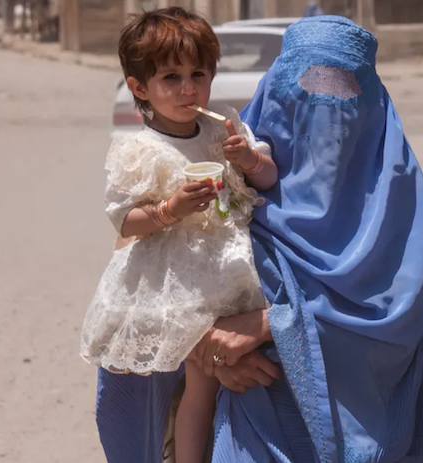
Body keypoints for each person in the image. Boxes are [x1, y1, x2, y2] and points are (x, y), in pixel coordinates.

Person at [93, 15, 423, 463]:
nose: (323, 108)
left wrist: (275, 326)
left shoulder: (393, 193)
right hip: (241, 420)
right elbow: (149, 271)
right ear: (277, 88)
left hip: (361, 427)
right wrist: (205, 348)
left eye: (343, 89)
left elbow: (399, 314)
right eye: (308, 85)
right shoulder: (230, 159)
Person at [79, 7, 278, 463]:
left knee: (208, 383)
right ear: (139, 88)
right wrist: (170, 210)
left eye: (198, 73)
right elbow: (124, 220)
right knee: (191, 382)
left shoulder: (223, 127)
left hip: (227, 273)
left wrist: (248, 160)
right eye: (171, 77)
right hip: (172, 283)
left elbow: (267, 179)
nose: (188, 88)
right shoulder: (138, 148)